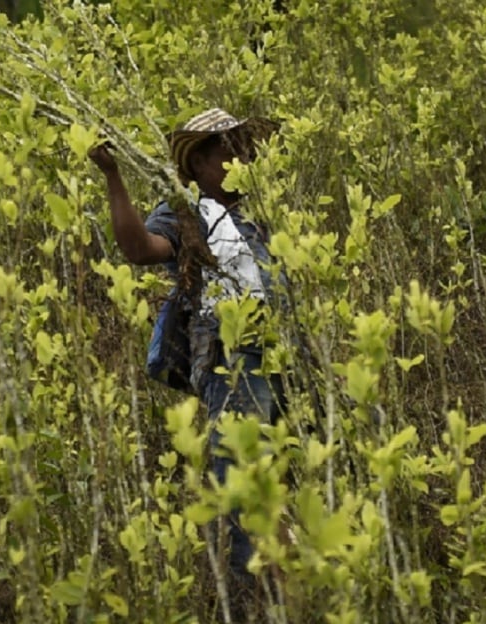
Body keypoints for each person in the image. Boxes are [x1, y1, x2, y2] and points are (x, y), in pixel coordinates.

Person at [89, 107, 284, 614]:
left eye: (243, 150)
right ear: (197, 165)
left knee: (279, 477)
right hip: (232, 357)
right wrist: (113, 177)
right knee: (241, 478)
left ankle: (283, 590)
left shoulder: (262, 211)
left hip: (284, 359)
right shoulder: (186, 213)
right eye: (226, 153)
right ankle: (249, 601)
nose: (239, 160)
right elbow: (138, 248)